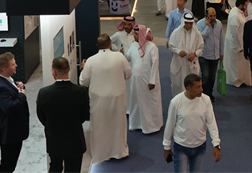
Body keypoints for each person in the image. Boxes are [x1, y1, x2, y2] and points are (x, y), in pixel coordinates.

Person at [79, 34, 132, 164]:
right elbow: (128, 74)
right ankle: (119, 151)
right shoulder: (120, 57)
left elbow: (83, 82)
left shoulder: (90, 61)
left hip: (99, 99)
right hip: (118, 97)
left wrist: (83, 68)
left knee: (100, 126)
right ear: (109, 44)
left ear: (97, 46)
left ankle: (100, 153)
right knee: (118, 124)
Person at [37, 57, 89, 173]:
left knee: (55, 168)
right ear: (69, 69)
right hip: (75, 139)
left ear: (54, 72)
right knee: (73, 169)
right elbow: (85, 114)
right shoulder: (81, 92)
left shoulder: (44, 93)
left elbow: (42, 116)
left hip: (54, 139)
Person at [163, 74, 221, 172]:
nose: (201, 89)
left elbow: (211, 122)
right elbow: (170, 125)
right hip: (181, 147)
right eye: (197, 87)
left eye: (201, 86)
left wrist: (216, 144)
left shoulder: (206, 100)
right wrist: (166, 146)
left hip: (200, 147)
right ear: (188, 89)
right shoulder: (176, 102)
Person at [0, 52, 29, 173]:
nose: (16, 66)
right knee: (8, 165)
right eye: (13, 64)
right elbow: (9, 107)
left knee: (10, 163)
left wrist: (18, 86)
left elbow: (11, 91)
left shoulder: (5, 80)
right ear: (5, 69)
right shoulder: (1, 87)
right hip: (9, 134)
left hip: (14, 131)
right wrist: (21, 96)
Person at [125, 24, 163, 134]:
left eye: (136, 34)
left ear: (142, 34)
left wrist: (152, 81)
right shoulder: (133, 45)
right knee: (136, 102)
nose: (134, 36)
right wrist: (122, 54)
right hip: (135, 81)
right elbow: (129, 57)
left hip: (148, 81)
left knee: (148, 103)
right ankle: (136, 124)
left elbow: (155, 64)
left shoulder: (152, 47)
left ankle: (150, 127)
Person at [169, 13, 204, 97]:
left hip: (191, 64)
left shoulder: (197, 34)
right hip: (179, 64)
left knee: (192, 85)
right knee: (178, 84)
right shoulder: (176, 32)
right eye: (186, 23)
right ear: (183, 22)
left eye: (190, 23)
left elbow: (201, 47)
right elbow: (171, 45)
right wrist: (178, 51)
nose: (188, 25)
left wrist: (195, 54)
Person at [197, 7, 223, 102]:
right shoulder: (200, 24)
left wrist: (221, 52)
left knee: (212, 77)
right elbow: (199, 39)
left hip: (215, 55)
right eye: (211, 16)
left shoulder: (219, 24)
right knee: (205, 77)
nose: (213, 18)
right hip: (204, 55)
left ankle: (210, 94)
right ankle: (204, 95)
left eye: (214, 15)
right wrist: (207, 27)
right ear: (206, 15)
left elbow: (221, 39)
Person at [225, 0, 251, 87]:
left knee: (240, 64)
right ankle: (236, 81)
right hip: (235, 44)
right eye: (245, 5)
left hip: (240, 42)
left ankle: (241, 79)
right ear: (241, 5)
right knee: (235, 65)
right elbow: (234, 33)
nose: (246, 7)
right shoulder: (235, 15)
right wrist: (238, 46)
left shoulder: (239, 12)